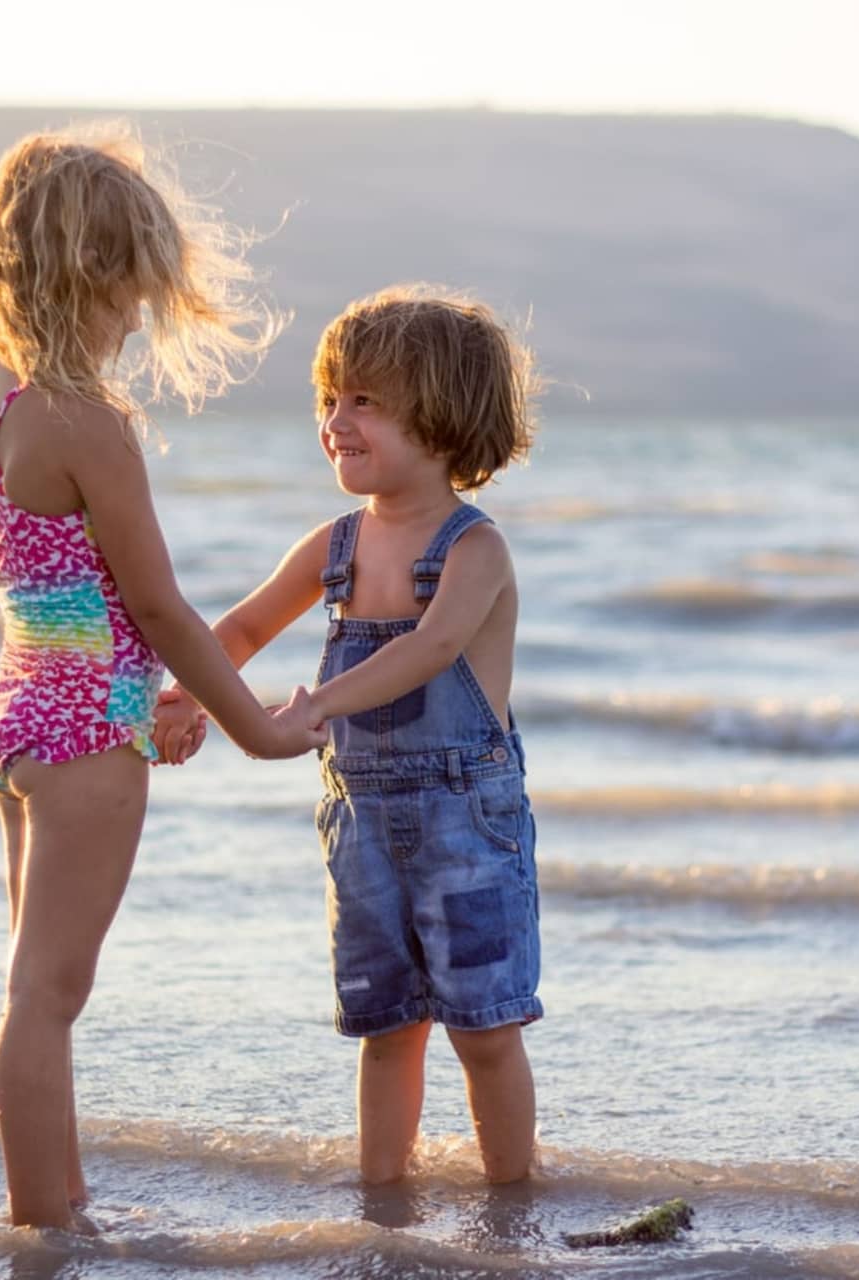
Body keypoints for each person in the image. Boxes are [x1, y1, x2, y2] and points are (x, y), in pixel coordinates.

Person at [0, 125, 325, 1232]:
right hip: (81, 745)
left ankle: (62, 1202)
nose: (133, 324)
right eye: (130, 298)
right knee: (45, 998)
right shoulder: (87, 424)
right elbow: (156, 605)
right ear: (91, 281)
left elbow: (1, 534)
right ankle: (42, 1231)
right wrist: (253, 723)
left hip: (15, 714)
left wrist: (101, 671)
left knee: (40, 992)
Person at [157, 284, 543, 1184]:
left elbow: (430, 648)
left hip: (467, 829)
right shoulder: (333, 545)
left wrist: (316, 707)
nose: (336, 420)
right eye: (330, 399)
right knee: (385, 1028)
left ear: (442, 417)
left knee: (484, 1030)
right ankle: (383, 1198)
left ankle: (512, 1200)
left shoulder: (473, 550)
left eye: (365, 400)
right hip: (363, 828)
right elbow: (244, 630)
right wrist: (189, 695)